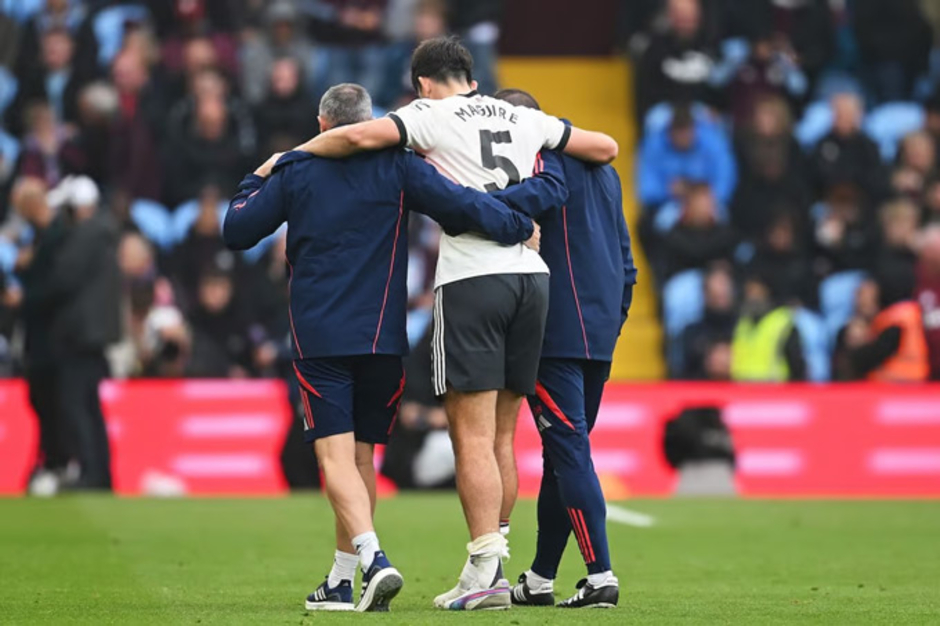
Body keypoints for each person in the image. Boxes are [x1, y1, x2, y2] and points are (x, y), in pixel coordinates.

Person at [284, 37, 617, 611]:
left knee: (471, 437)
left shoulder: (428, 113)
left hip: (473, 282)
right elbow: (605, 146)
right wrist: (517, 198)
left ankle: (485, 572)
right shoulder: (520, 114)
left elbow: (360, 135)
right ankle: (487, 564)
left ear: (422, 83)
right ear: (471, 73)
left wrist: (285, 158)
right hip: (533, 279)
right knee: (505, 437)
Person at [224, 83, 544, 613]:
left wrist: (257, 173)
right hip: (384, 337)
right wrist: (518, 225)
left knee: (334, 458)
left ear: (323, 124)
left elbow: (237, 229)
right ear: (370, 123)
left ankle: (373, 559)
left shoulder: (297, 170)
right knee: (361, 457)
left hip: (321, 335)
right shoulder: (398, 167)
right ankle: (343, 578)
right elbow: (462, 203)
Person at [488, 89, 636, 609]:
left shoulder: (537, 163)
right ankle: (542, 577)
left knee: (569, 451)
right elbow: (626, 259)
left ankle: (600, 576)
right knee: (561, 455)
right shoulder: (602, 168)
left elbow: (506, 212)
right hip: (597, 334)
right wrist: (612, 322)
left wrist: (465, 201)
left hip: (553, 336)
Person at [730, 274, 805, 382]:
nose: (752, 296)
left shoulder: (782, 322)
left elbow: (796, 363)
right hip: (742, 391)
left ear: (766, 292)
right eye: (749, 291)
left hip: (775, 391)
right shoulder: (742, 322)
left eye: (756, 291)